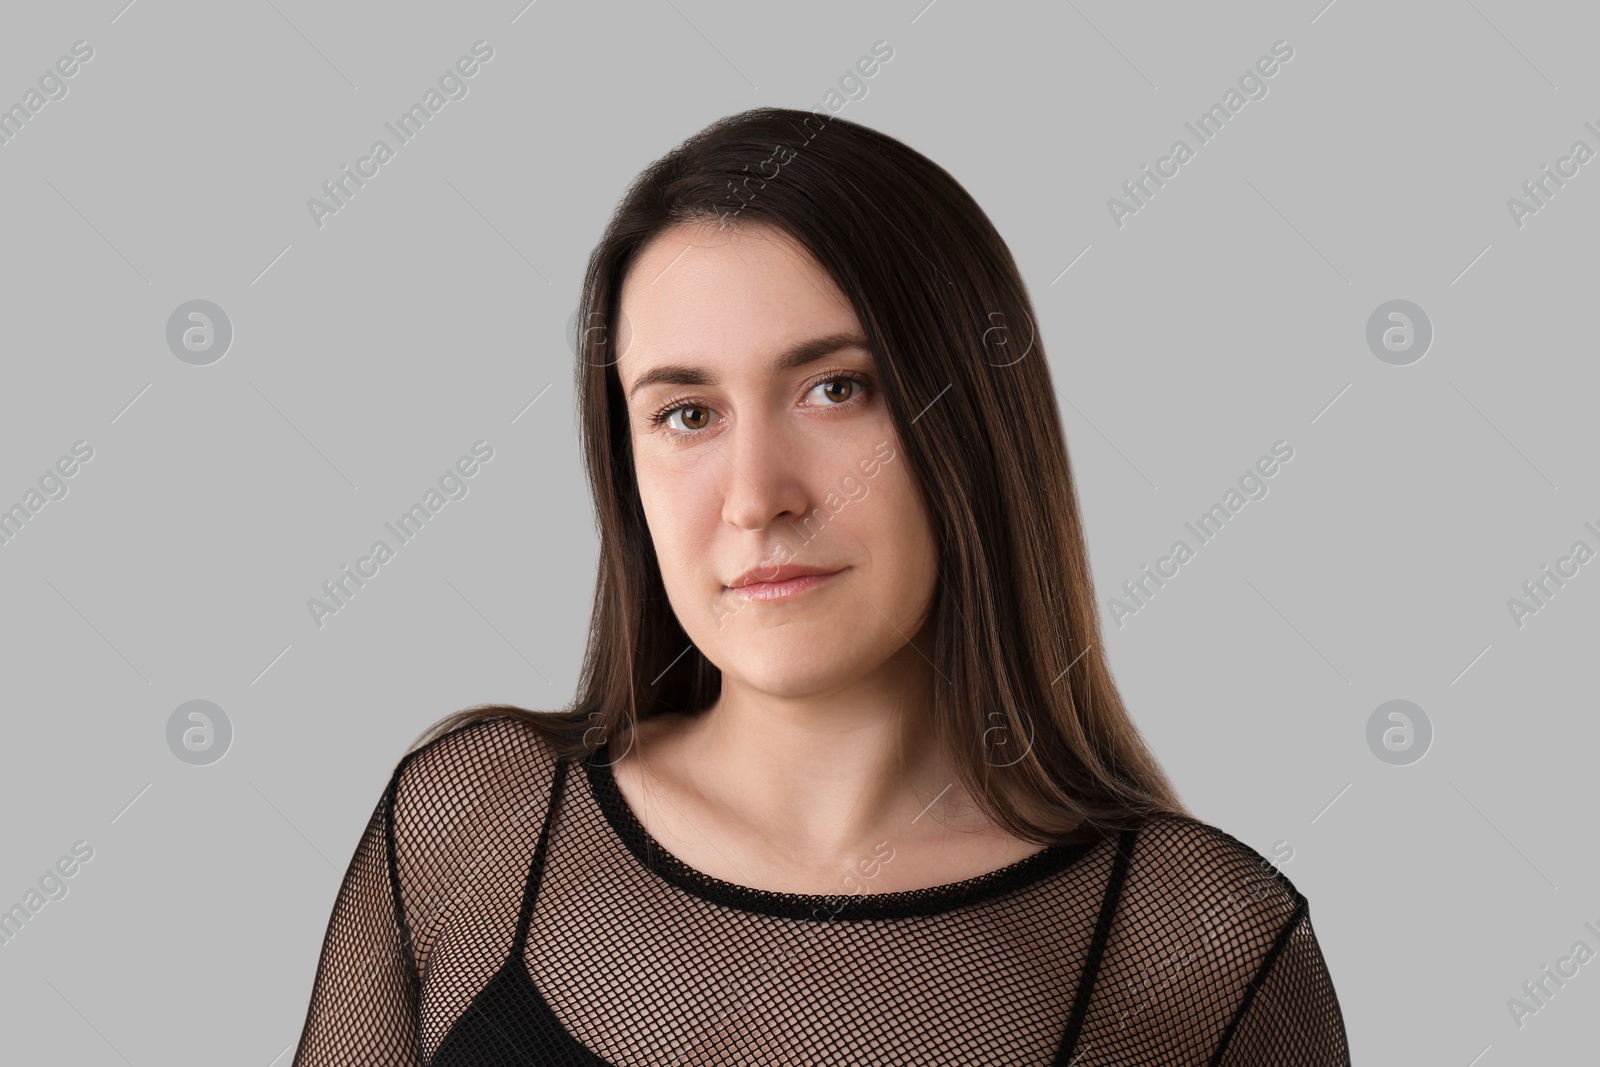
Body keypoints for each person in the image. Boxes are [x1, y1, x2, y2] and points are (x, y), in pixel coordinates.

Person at [289, 106, 1351, 1065]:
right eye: (686, 412)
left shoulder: (1192, 945)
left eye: (834, 388)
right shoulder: (475, 822)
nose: (757, 496)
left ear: (970, 428)